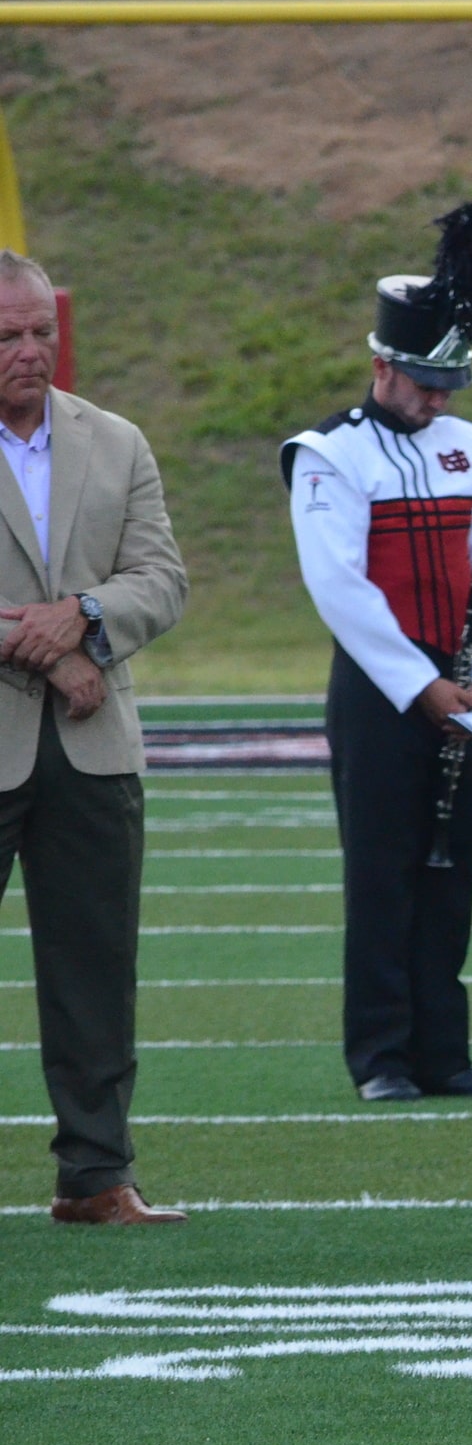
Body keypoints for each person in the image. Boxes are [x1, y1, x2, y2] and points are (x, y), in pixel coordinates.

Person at [283, 204, 472, 1100]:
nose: (438, 401)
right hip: (381, 686)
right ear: (381, 365)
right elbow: (338, 585)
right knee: (383, 870)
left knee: (449, 865)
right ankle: (382, 1057)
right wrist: (421, 684)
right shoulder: (328, 455)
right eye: (423, 382)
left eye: (448, 385)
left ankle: (444, 1053)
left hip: (459, 687)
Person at [0, 250, 190, 1223]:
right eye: (8, 337)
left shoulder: (117, 443)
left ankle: (96, 1176)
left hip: (92, 748)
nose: (30, 352)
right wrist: (45, 646)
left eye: (43, 332)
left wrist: (81, 616)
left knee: (95, 971)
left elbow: (162, 581)